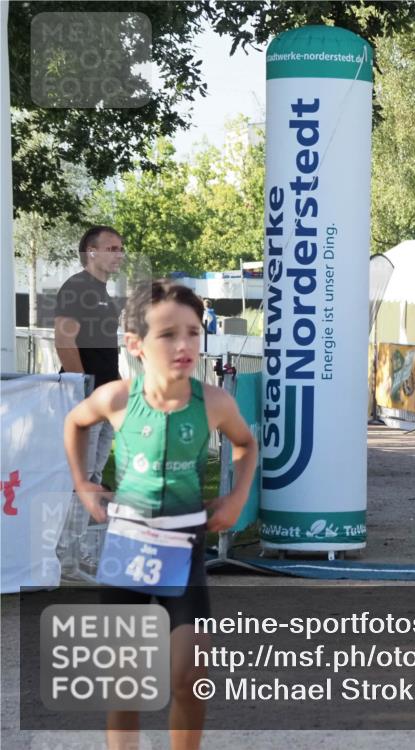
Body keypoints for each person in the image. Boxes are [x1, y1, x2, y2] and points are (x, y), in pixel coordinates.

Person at [63, 279, 257, 750]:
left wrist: (235, 499)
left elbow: (246, 444)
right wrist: (84, 485)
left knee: (191, 675)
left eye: (193, 332)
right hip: (127, 549)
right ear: (136, 344)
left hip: (184, 549)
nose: (185, 344)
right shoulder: (116, 398)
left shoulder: (213, 402)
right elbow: (75, 422)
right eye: (168, 334)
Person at [55, 226, 125, 486]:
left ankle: (83, 528)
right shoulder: (77, 287)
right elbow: (64, 342)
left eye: (121, 249)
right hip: (85, 397)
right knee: (78, 477)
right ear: (92, 252)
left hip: (105, 397)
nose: (119, 255)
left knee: (94, 474)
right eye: (112, 249)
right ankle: (68, 527)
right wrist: (82, 389)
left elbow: (104, 350)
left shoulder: (103, 292)